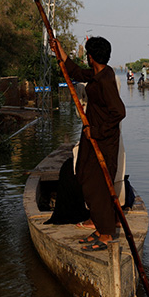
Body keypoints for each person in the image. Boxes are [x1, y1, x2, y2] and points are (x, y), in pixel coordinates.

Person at [48, 36, 125, 252]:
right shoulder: (97, 73)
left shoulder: (106, 79)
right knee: (83, 176)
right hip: (91, 137)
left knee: (98, 185)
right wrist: (60, 51)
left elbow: (119, 112)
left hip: (103, 139)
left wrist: (97, 131)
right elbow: (77, 73)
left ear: (91, 57)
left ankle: (107, 233)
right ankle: (101, 228)